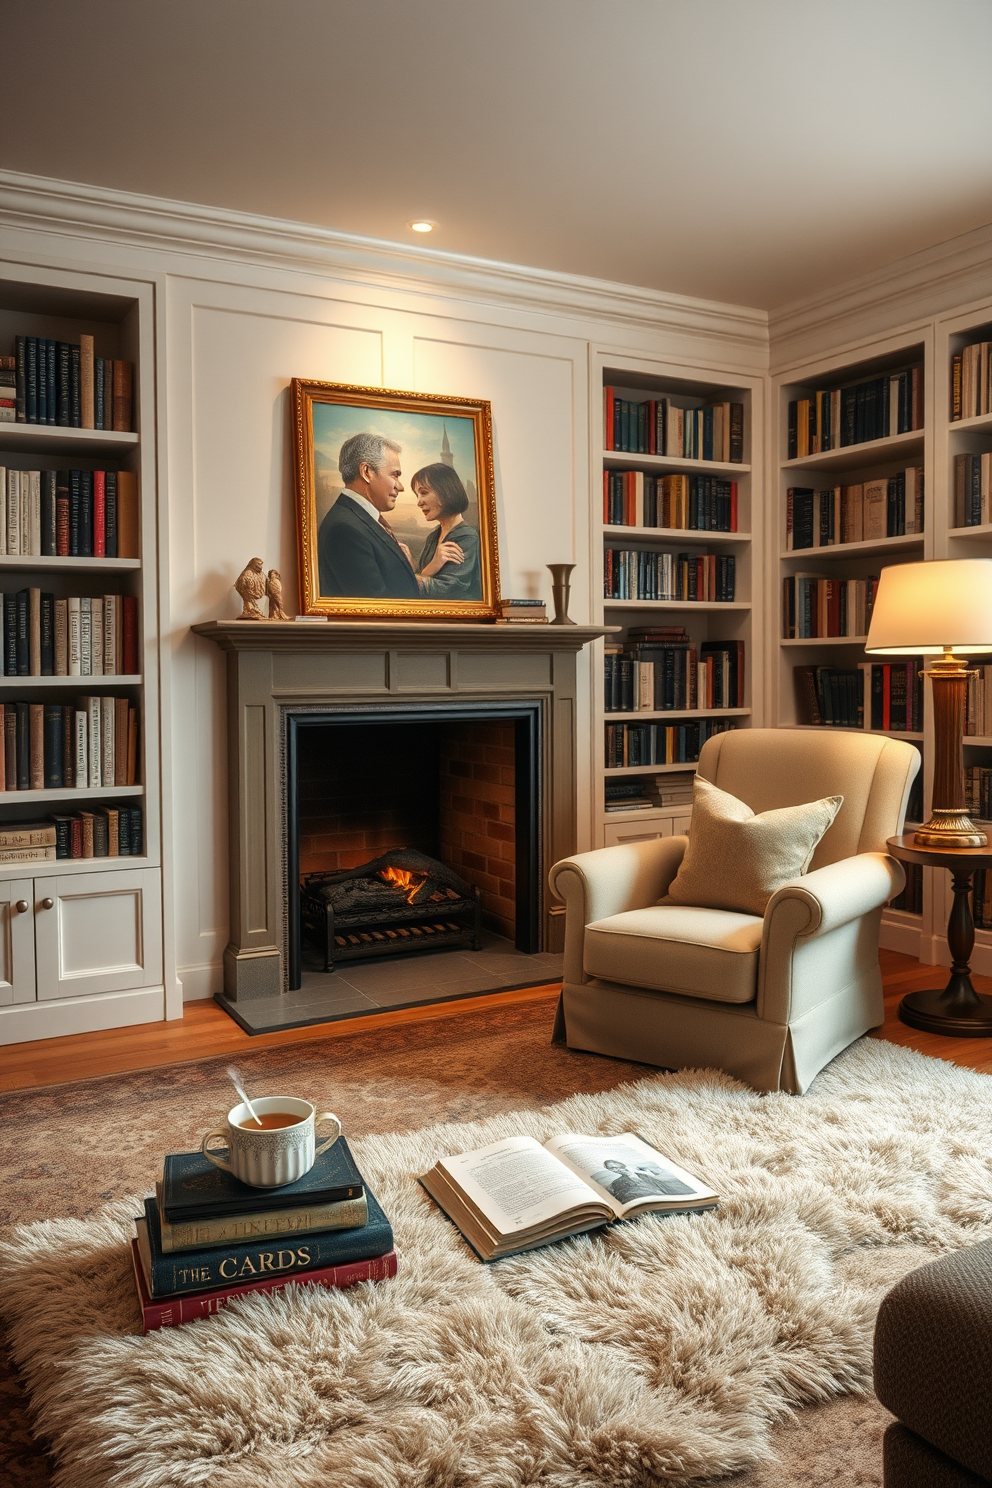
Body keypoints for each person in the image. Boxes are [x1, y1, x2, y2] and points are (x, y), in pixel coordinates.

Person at [317, 432, 420, 599]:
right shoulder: (344, 529)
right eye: (394, 475)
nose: (400, 487)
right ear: (366, 472)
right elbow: (375, 609)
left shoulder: (354, 520)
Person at [410, 462, 481, 600]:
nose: (419, 502)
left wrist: (408, 578)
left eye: (424, 493)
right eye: (417, 495)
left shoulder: (467, 537)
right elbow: (423, 575)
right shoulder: (433, 536)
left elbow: (448, 588)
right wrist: (426, 564)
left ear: (446, 493)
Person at [594, 1158, 694, 1205]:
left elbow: (663, 1174)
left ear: (620, 1164)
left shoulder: (641, 1169)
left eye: (616, 1166)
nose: (616, 1169)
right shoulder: (617, 1182)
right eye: (612, 1169)